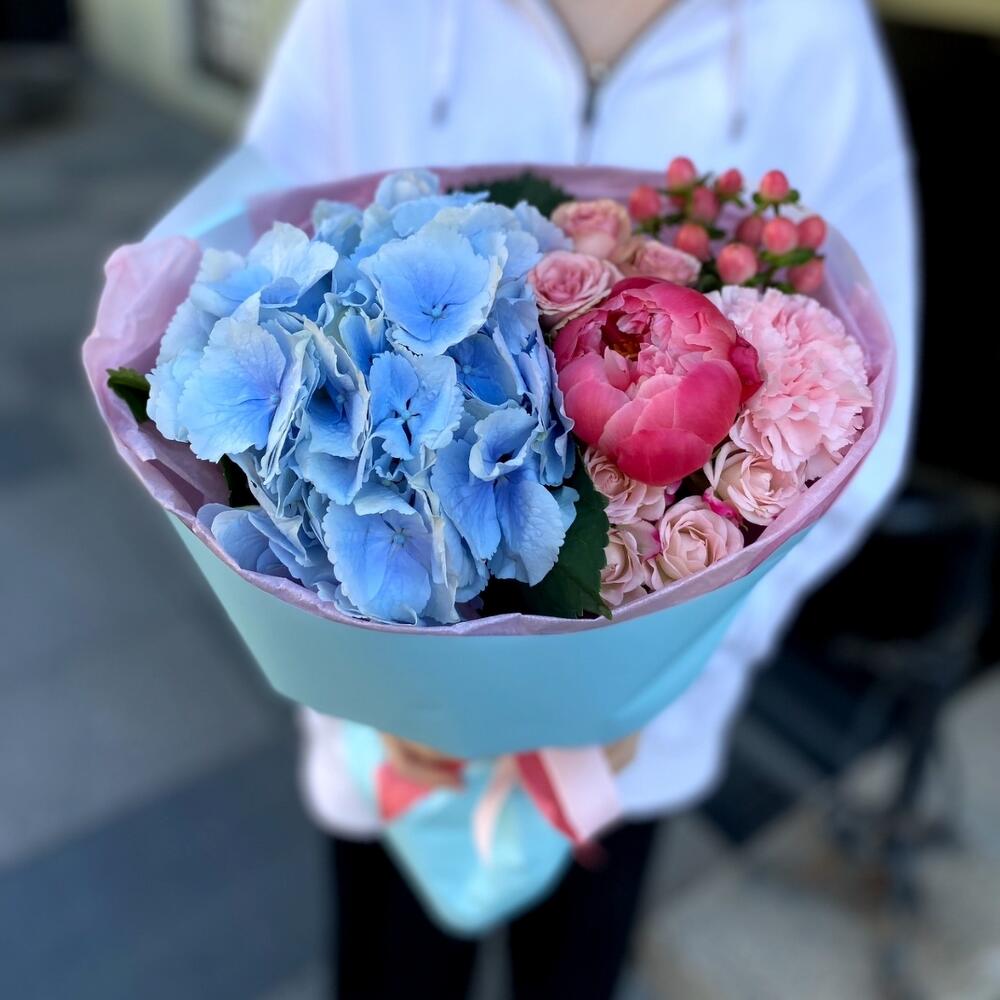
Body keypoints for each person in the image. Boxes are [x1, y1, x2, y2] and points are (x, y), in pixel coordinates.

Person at [242, 1, 918, 996]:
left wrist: (671, 667)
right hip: (396, 731)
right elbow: (259, 279)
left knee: (575, 972)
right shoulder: (364, 17)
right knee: (392, 967)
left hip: (630, 741)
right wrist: (368, 678)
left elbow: (868, 422)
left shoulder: (811, 32)